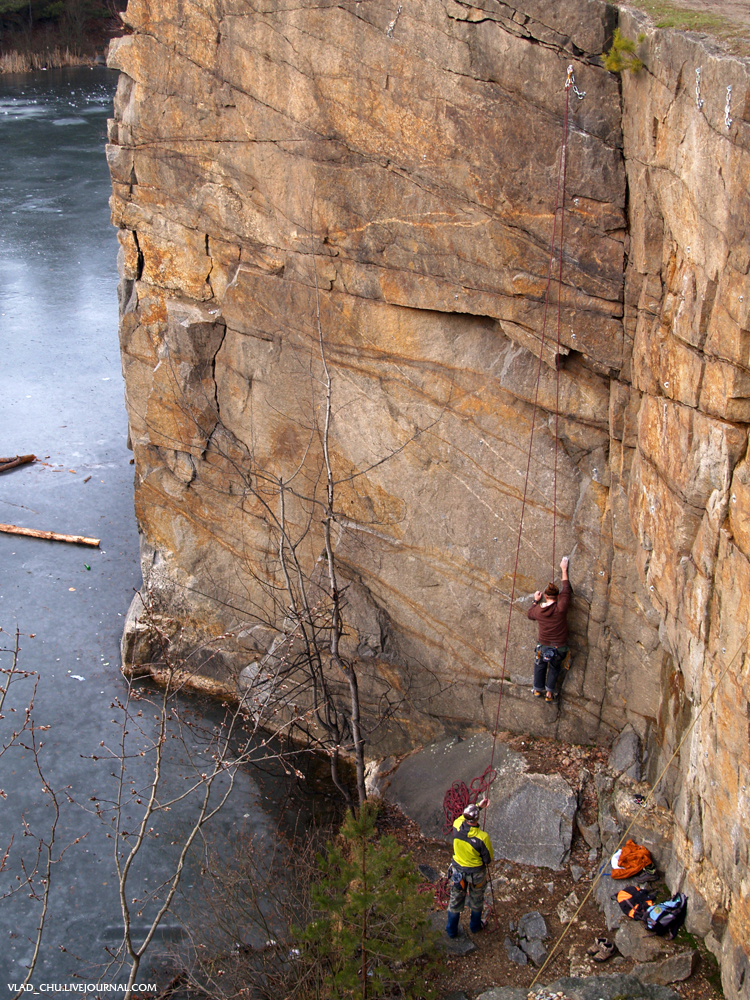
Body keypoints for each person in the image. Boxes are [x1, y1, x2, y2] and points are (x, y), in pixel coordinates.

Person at [445, 799, 494, 937]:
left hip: (457, 872)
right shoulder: (482, 837)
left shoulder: (456, 825)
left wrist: (478, 806)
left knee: (455, 902)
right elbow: (487, 859)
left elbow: (463, 816)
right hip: (476, 874)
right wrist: (479, 808)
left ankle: (451, 931)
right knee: (476, 901)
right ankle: (475, 927)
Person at [527, 555, 572, 702]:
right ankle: (549, 693)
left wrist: (535, 601)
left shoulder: (539, 610)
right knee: (554, 668)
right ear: (558, 596)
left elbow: (530, 615)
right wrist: (564, 569)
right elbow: (566, 588)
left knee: (540, 666)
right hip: (559, 647)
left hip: (544, 645)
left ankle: (537, 689)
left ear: (545, 596)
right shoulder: (561, 607)